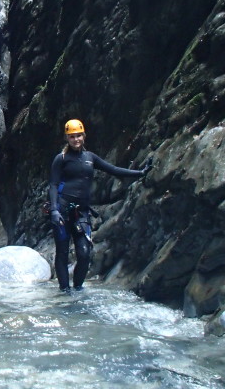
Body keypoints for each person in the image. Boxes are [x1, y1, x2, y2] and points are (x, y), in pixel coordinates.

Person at [49, 119, 152, 293]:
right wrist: (53, 210)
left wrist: (140, 173)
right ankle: (65, 291)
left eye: (79, 136)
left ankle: (78, 289)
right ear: (67, 138)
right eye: (72, 136)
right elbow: (53, 184)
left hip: (81, 213)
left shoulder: (90, 158)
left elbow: (113, 169)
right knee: (62, 253)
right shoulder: (61, 159)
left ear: (84, 136)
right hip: (62, 211)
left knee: (84, 254)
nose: (76, 140)